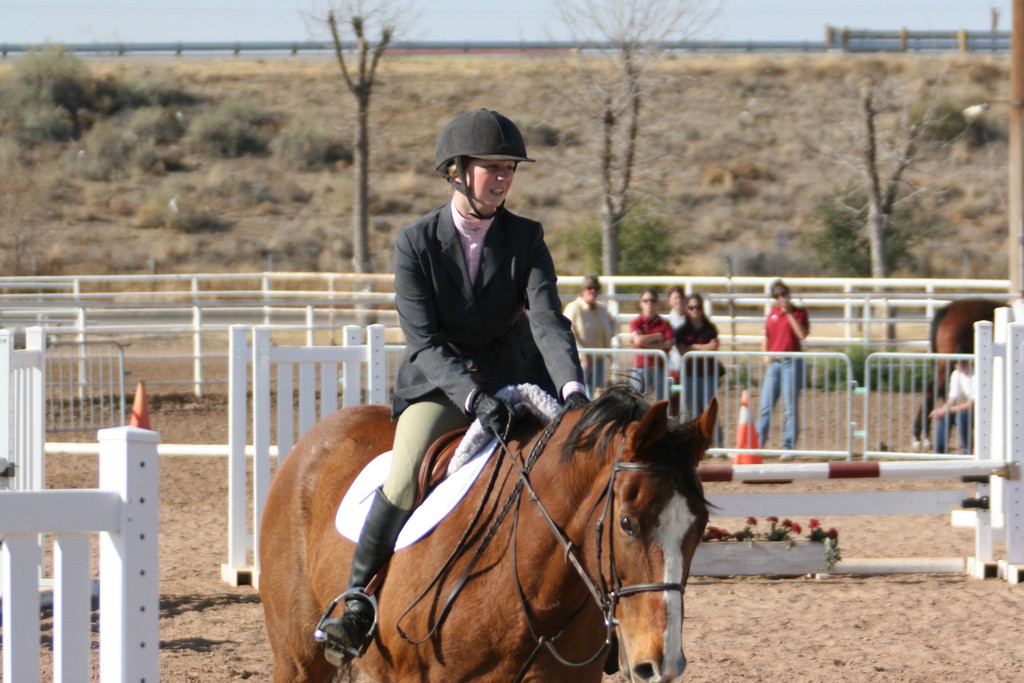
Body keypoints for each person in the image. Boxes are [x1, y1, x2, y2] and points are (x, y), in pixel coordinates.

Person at [317, 108, 588, 663]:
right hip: (440, 388)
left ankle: (590, 616)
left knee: (571, 474)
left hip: (517, 379)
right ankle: (357, 600)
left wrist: (573, 392)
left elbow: (548, 321)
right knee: (404, 473)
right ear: (458, 171)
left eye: (510, 168)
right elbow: (423, 339)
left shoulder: (527, 238)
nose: (505, 177)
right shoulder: (415, 242)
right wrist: (472, 398)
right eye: (494, 167)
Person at [756, 279, 809, 459]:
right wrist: (765, 354)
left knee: (789, 407)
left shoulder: (799, 313)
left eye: (783, 294)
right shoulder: (772, 313)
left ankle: (788, 447)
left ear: (788, 295)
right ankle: (757, 444)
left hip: (791, 362)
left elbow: (801, 334)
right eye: (777, 295)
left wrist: (790, 314)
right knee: (765, 406)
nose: (781, 298)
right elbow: (766, 334)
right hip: (775, 363)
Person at [563, 274, 617, 395]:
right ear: (583, 290)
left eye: (596, 288)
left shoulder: (602, 308)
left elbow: (613, 323)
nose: (592, 291)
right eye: (589, 288)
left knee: (599, 390)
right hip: (582, 359)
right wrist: (582, 352)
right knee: (585, 389)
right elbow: (568, 331)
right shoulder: (574, 307)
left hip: (600, 357)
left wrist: (609, 337)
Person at [675, 293, 720, 423]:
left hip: (708, 374)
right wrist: (703, 347)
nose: (695, 310)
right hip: (689, 375)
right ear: (687, 309)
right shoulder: (682, 330)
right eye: (691, 307)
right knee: (692, 410)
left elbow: (714, 346)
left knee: (709, 410)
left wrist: (693, 347)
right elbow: (681, 350)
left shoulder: (710, 328)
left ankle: (717, 440)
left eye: (698, 307)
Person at [929, 344, 976, 454]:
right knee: (946, 416)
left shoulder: (977, 374)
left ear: (969, 362)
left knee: (961, 416)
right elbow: (952, 399)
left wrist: (946, 410)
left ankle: (968, 450)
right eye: (957, 364)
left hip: (983, 410)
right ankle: (939, 451)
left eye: (962, 363)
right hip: (972, 407)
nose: (959, 367)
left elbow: (973, 404)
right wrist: (943, 411)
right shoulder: (956, 374)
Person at [629, 288, 674, 400]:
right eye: (645, 301)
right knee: (636, 398)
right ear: (641, 304)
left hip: (659, 367)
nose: (649, 303)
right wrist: (657, 336)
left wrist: (646, 345)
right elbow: (638, 341)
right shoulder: (636, 323)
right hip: (640, 366)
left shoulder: (664, 323)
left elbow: (668, 343)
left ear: (657, 303)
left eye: (652, 300)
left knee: (661, 400)